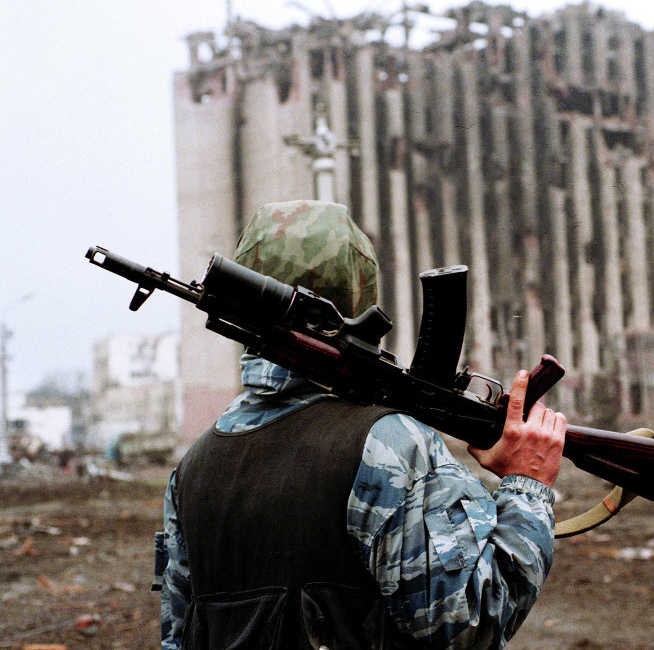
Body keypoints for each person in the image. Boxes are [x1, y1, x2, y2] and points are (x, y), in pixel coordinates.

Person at [157, 200, 568, 649]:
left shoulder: (193, 468)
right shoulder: (389, 445)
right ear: (361, 294)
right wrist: (527, 485)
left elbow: (177, 637)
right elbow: (472, 623)